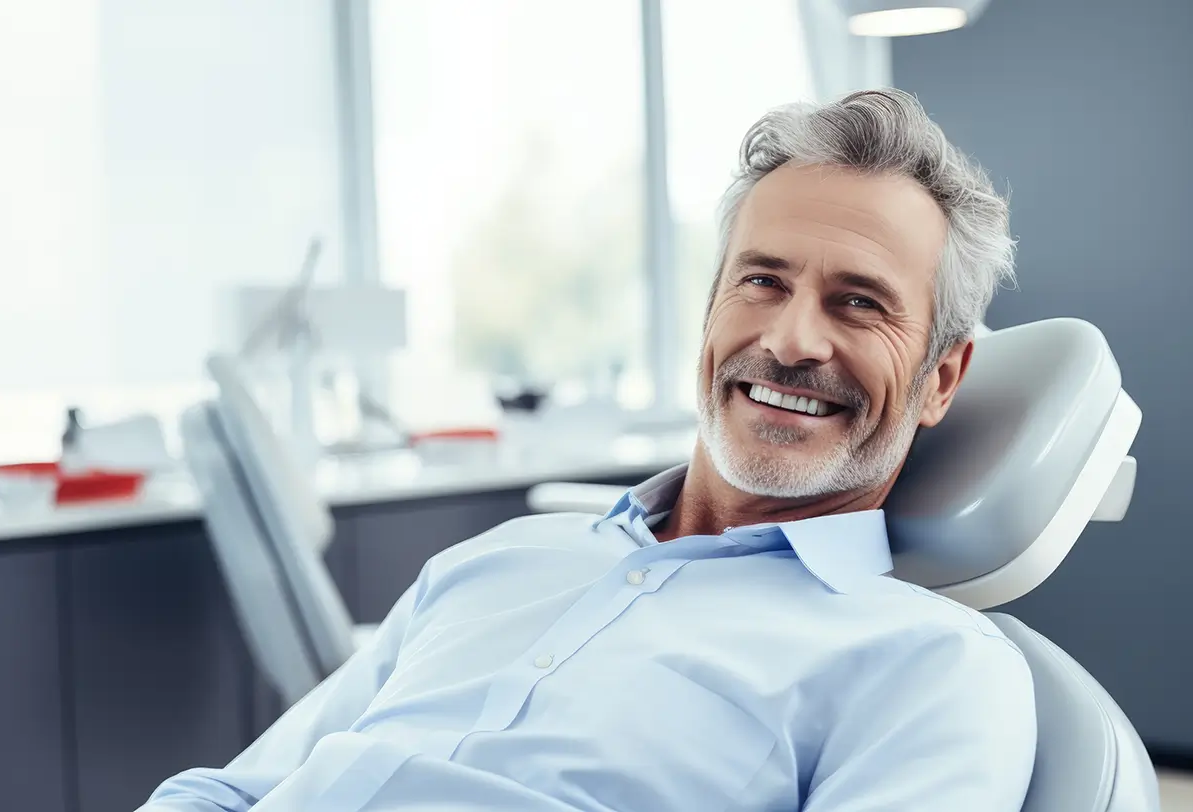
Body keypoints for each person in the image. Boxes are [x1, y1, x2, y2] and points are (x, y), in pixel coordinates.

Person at [140, 89, 1035, 811]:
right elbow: (226, 791)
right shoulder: (490, 562)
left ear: (941, 380)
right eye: (762, 281)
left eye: (860, 303)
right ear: (712, 310)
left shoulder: (930, 669)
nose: (793, 339)